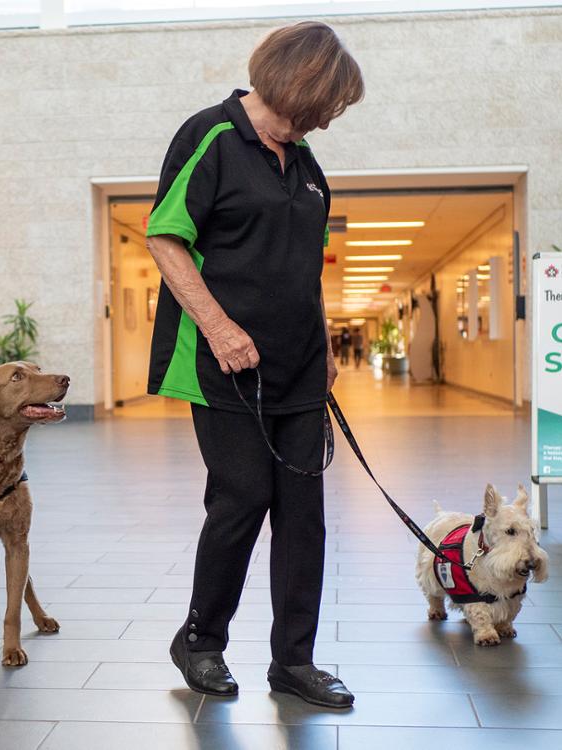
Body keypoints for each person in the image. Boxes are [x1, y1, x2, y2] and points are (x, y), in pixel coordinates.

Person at [145, 22, 363, 707]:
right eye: (327, 105)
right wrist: (217, 326)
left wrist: (324, 347)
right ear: (301, 88)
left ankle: (293, 661)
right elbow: (165, 237)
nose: (328, 122)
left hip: (297, 367)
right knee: (242, 498)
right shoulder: (210, 137)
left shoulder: (304, 165)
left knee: (304, 513)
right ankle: (202, 640)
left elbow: (307, 273)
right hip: (222, 362)